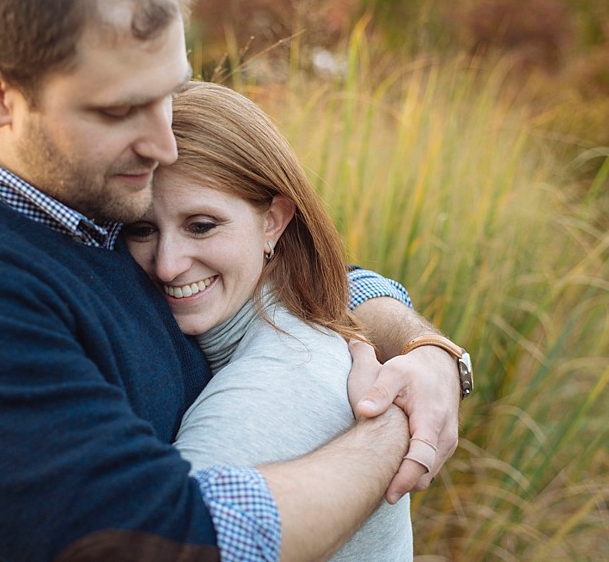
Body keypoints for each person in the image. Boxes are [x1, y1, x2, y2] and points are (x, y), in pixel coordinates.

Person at [0, 0, 470, 560]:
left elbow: (288, 277)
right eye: (119, 109)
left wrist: (425, 351)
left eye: (168, 93)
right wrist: (393, 428)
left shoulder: (82, 194)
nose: (164, 143)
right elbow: (165, 541)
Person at [123, 80, 414, 560]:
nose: (168, 265)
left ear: (273, 221)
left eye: (202, 226)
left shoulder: (273, 392)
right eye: (142, 229)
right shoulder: (292, 323)